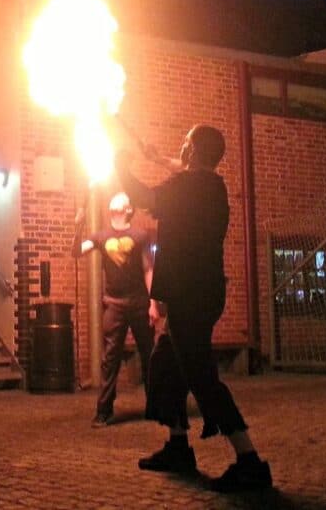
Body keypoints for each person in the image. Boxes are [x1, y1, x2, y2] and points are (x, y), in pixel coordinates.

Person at [115, 125, 272, 492]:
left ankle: (249, 461)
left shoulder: (187, 187)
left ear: (194, 151)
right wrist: (156, 157)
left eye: (185, 144)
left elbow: (144, 196)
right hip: (202, 292)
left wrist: (119, 166)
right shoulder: (210, 186)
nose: (180, 149)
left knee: (201, 375)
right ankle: (178, 447)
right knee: (166, 364)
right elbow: (184, 174)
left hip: (191, 296)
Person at [71, 191, 155, 428]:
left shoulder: (140, 235)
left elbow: (148, 268)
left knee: (149, 355)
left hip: (139, 303)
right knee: (110, 359)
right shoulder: (100, 236)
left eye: (122, 198)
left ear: (129, 209)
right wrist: (78, 226)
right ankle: (104, 411)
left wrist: (153, 302)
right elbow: (76, 251)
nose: (117, 198)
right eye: (115, 198)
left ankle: (155, 406)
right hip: (114, 304)